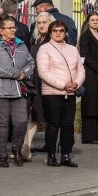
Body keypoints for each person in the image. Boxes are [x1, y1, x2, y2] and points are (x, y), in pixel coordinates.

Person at [0, 15, 34, 168]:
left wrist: (24, 73)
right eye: (10, 28)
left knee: (21, 121)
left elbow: (31, 62)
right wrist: (14, 73)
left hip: (19, 89)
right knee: (2, 124)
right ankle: (2, 155)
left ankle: (17, 149)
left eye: (14, 27)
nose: (14, 30)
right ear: (1, 30)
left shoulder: (21, 45)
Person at [36, 19, 85, 167]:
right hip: (53, 93)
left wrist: (77, 83)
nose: (58, 33)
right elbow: (43, 72)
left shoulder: (73, 49)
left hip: (70, 92)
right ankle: (51, 155)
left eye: (61, 30)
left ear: (65, 32)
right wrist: (63, 85)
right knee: (53, 125)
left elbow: (80, 69)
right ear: (50, 32)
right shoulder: (45, 49)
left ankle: (65, 154)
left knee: (68, 125)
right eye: (55, 30)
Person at [22, 11, 53, 161]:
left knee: (49, 118)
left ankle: (50, 151)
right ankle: (26, 147)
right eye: (39, 23)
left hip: (47, 84)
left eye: (44, 22)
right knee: (32, 115)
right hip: (34, 84)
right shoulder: (37, 41)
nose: (41, 25)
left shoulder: (53, 41)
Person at [77, 12, 98, 143]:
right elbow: (85, 55)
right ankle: (88, 136)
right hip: (91, 74)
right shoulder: (85, 37)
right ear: (88, 21)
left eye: (97, 20)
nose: (95, 22)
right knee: (90, 102)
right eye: (92, 20)